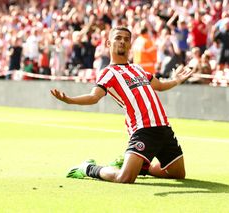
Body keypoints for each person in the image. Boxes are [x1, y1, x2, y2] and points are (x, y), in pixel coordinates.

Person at [50, 26, 193, 184]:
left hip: (164, 128)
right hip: (143, 129)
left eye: (126, 39)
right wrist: (70, 100)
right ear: (108, 43)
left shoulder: (137, 68)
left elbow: (159, 86)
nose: (122, 42)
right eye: (118, 38)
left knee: (178, 173)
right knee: (124, 178)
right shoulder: (108, 73)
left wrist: (177, 80)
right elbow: (93, 97)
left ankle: (142, 167)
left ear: (130, 45)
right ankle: (88, 168)